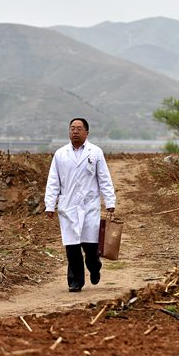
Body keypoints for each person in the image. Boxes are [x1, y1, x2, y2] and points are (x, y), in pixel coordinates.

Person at [44, 118, 116, 292]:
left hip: (89, 205)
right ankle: (75, 281)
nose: (75, 131)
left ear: (86, 132)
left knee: (90, 248)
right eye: (72, 128)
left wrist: (110, 202)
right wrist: (50, 204)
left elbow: (104, 178)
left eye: (79, 128)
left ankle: (94, 266)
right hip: (68, 206)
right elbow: (53, 181)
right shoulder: (60, 154)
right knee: (72, 247)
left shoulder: (95, 152)